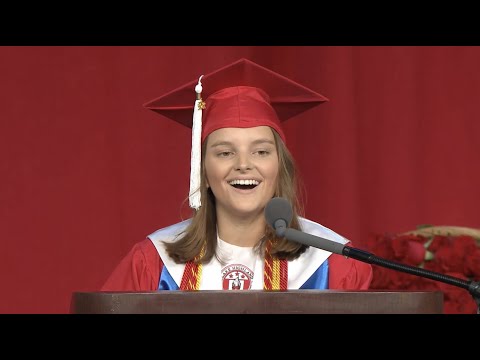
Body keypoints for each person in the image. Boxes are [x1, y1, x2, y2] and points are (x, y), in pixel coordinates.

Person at [101, 58, 373, 292]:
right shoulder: (154, 262)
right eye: (225, 153)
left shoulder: (332, 262)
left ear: (280, 167)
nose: (244, 165)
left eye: (261, 152)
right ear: (203, 172)